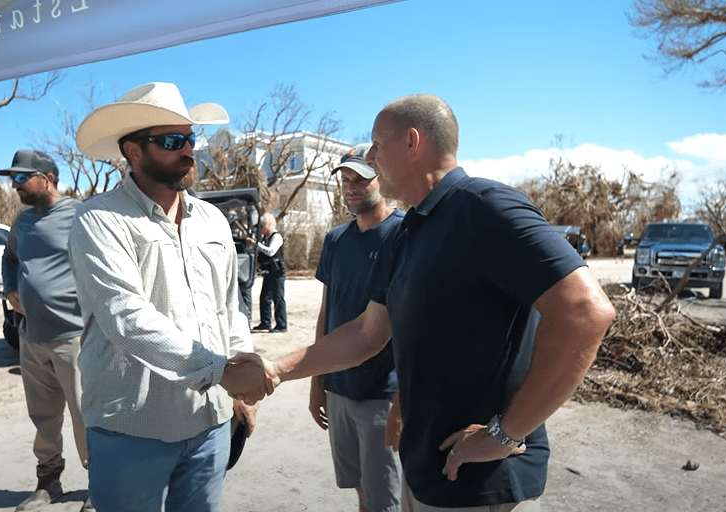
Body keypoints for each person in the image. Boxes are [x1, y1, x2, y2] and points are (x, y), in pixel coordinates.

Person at [239, 94, 616, 511]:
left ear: (412, 143)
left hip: (481, 483)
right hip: (426, 473)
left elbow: (585, 312)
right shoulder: (409, 232)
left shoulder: (485, 208)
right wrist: (276, 369)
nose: (370, 156)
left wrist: (505, 433)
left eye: (377, 144)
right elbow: (368, 335)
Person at [68, 82, 272, 512]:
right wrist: (220, 372)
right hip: (132, 428)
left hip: (210, 424)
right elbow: (126, 316)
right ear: (134, 152)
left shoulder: (214, 221)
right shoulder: (100, 220)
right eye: (172, 141)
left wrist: (239, 380)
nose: (188, 151)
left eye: (190, 139)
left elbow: (227, 308)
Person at [310, 143, 405, 512]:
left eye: (361, 179)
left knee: (387, 499)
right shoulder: (335, 239)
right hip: (339, 390)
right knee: (362, 490)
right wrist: (318, 384)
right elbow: (326, 313)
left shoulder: (404, 234)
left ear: (383, 178)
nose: (351, 187)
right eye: (345, 179)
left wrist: (403, 400)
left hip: (381, 392)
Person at [0, 150, 93, 512]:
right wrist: (9, 288)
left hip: (75, 338)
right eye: (13, 179)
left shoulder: (81, 215)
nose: (15, 186)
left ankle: (99, 487)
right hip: (32, 338)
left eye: (22, 178)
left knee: (87, 414)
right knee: (43, 418)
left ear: (48, 178)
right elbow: (9, 259)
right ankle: (48, 483)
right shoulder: (21, 222)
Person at [248, 212, 286, 333]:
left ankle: (281, 325)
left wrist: (256, 245)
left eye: (262, 226)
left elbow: (270, 252)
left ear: (269, 225)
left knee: (278, 298)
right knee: (265, 298)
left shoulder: (276, 237)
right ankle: (266, 322)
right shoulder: (265, 238)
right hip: (269, 272)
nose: (260, 229)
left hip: (278, 272)